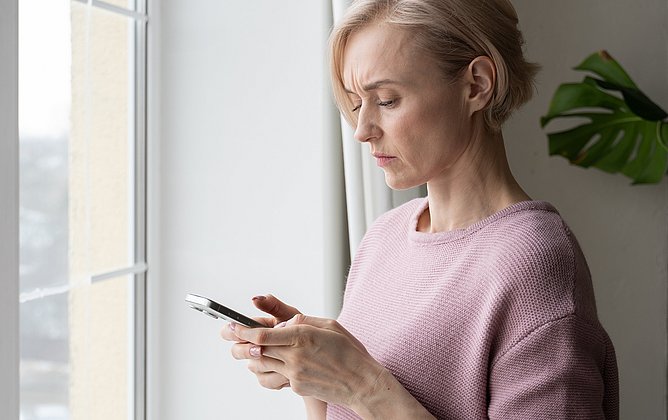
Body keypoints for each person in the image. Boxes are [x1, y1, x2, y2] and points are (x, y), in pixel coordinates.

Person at [221, 0, 619, 418]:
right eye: (357, 103)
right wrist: (312, 370)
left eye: (388, 100)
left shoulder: (534, 263)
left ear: (477, 85)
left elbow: (369, 395)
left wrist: (362, 385)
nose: (362, 130)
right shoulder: (385, 237)